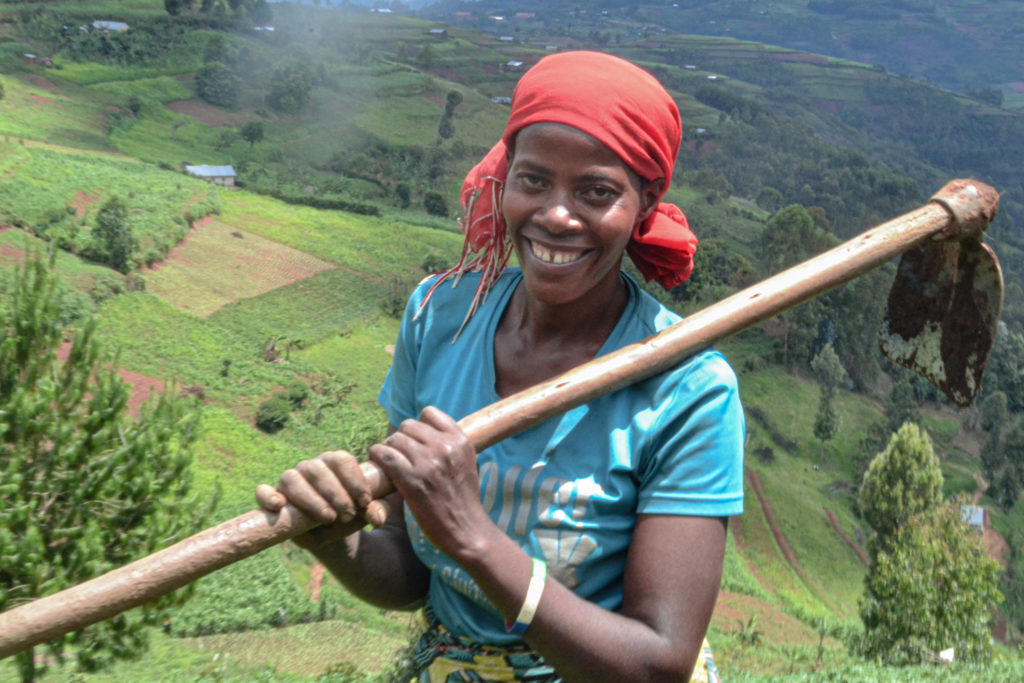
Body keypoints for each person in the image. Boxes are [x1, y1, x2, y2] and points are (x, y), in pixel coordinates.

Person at [257, 50, 744, 682]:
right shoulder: (439, 315)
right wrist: (335, 539)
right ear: (505, 176)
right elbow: (412, 573)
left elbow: (657, 666)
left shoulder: (690, 390)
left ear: (646, 200)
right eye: (534, 180)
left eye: (596, 192)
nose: (556, 215)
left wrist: (474, 536)